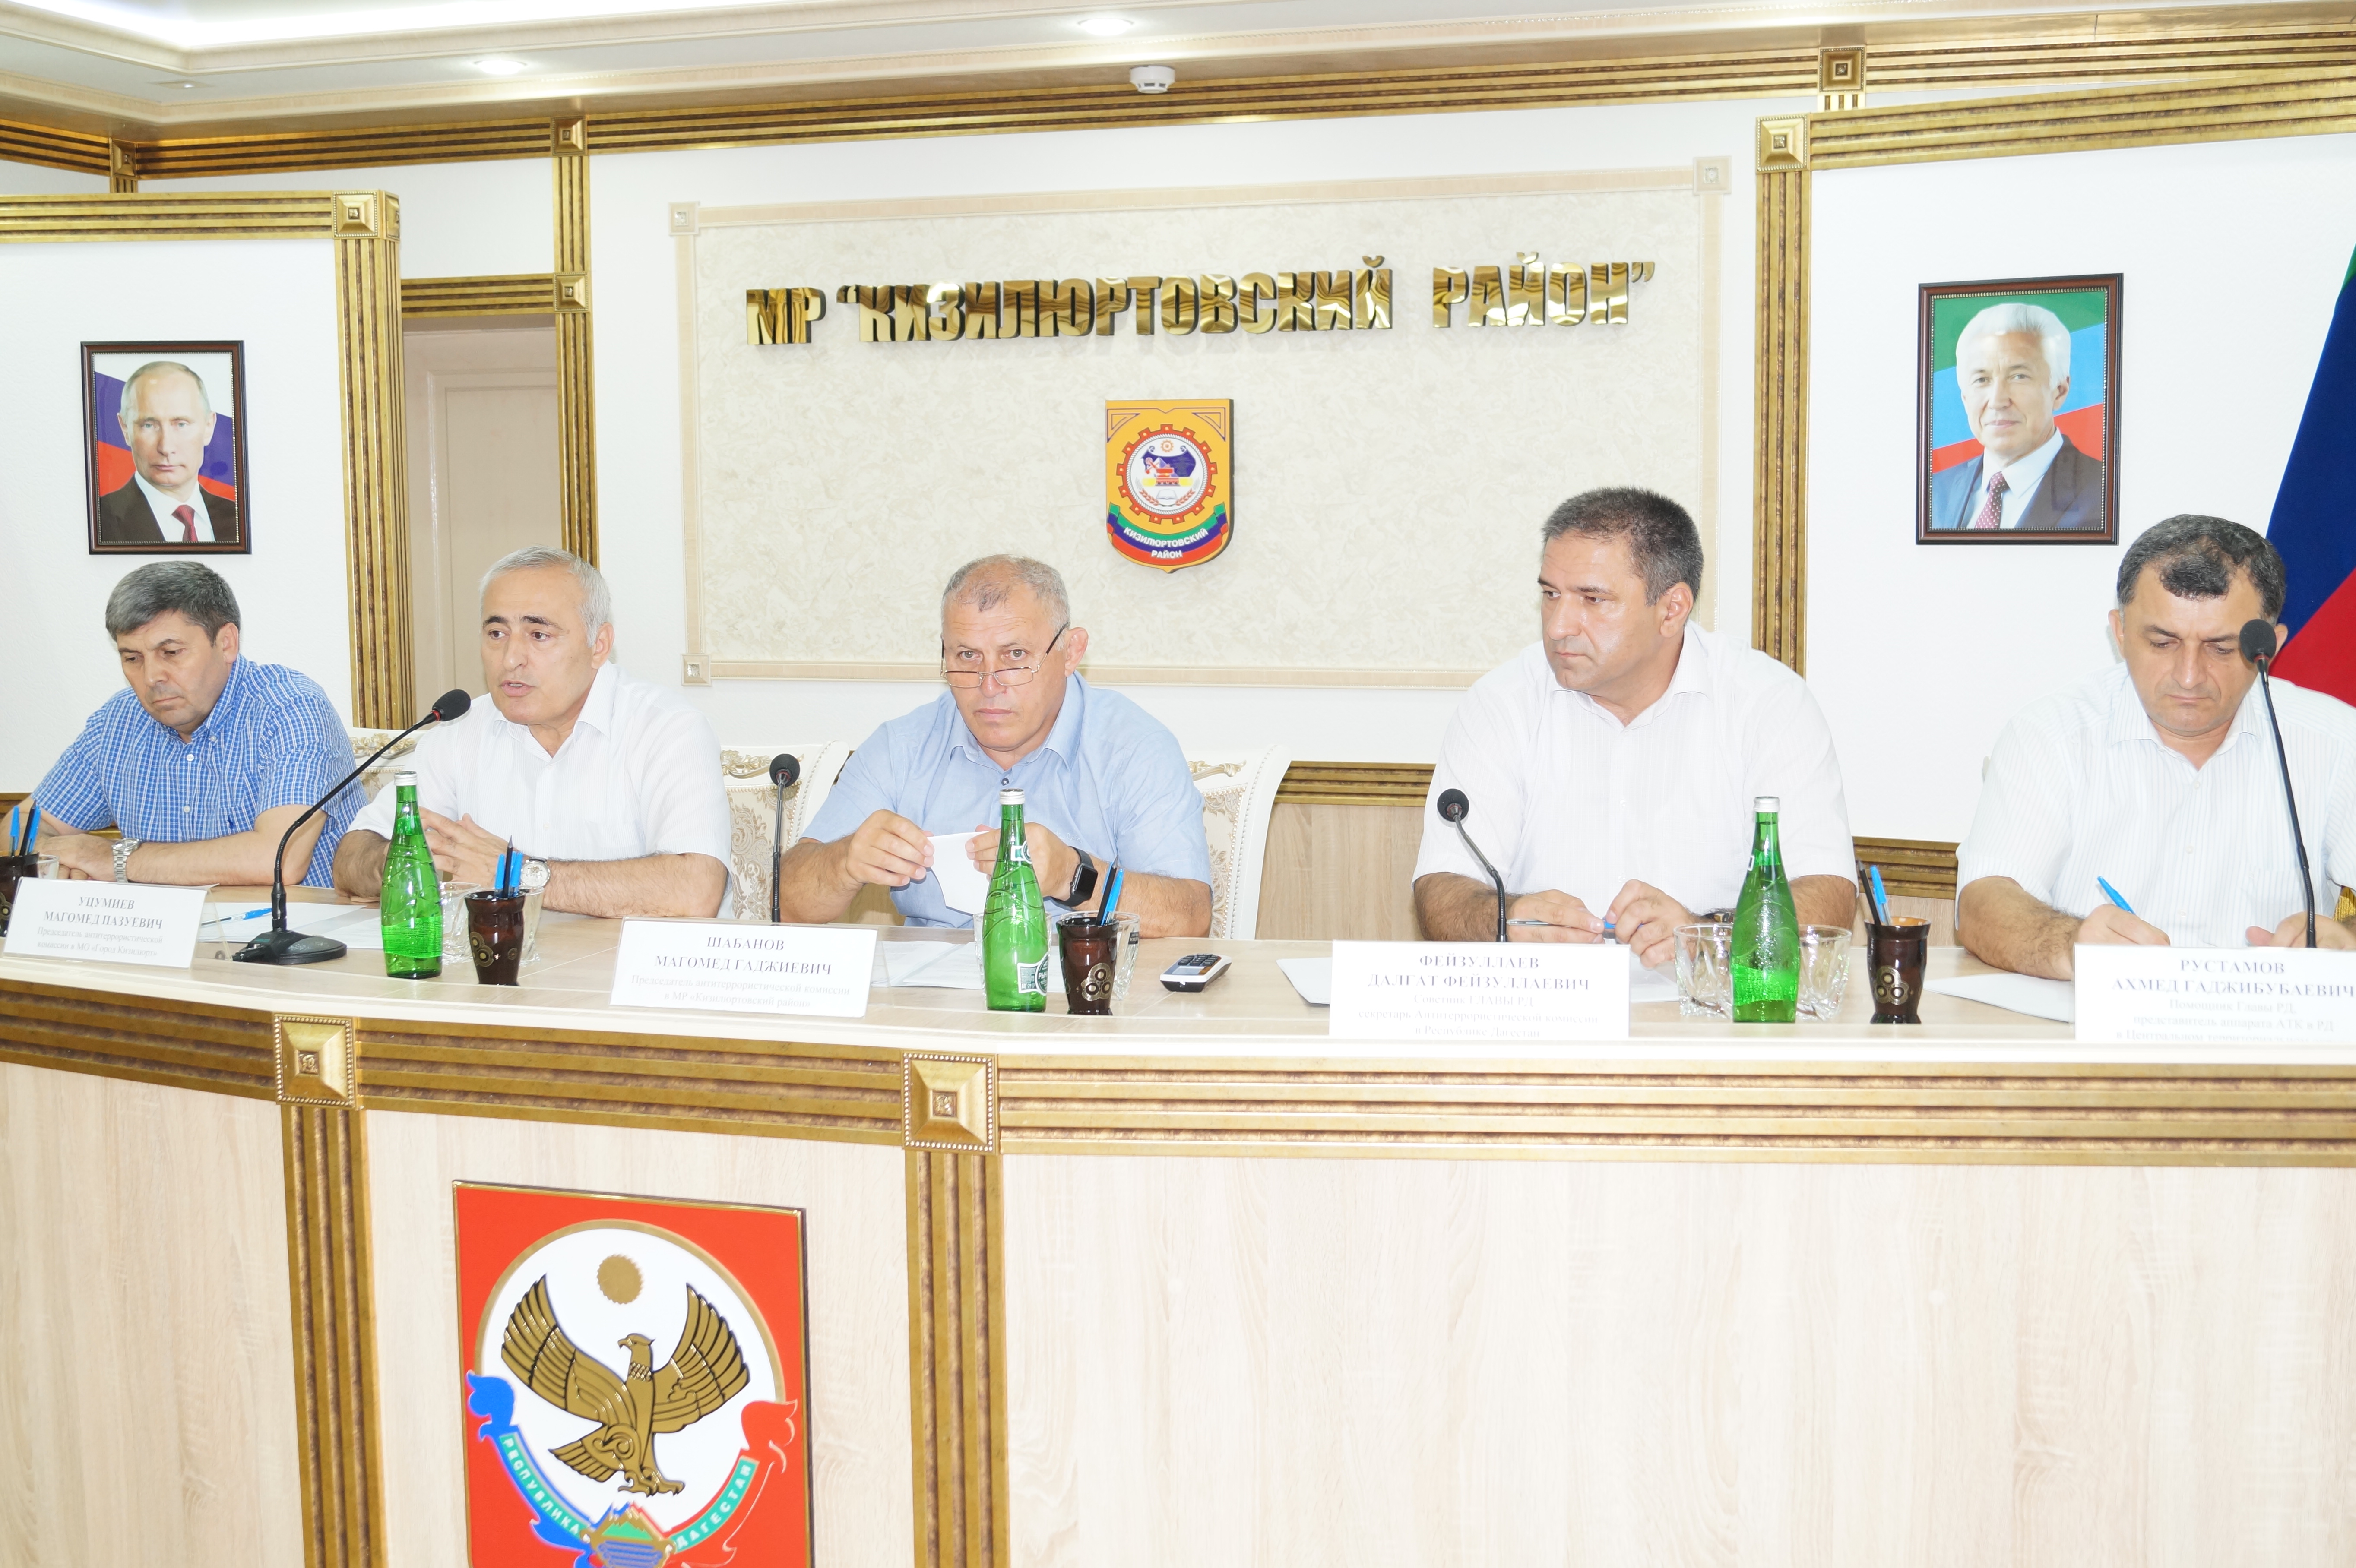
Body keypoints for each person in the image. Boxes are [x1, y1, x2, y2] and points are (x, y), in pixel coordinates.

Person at [1412, 487, 1857, 966]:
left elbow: (1827, 896)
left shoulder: (1767, 703)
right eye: (1550, 595)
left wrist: (1709, 936)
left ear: (1672, 610)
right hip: (1548, 1003)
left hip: (1711, 1003)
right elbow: (1442, 892)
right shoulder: (1501, 703)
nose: (1558, 626)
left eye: (1592, 599)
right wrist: (1506, 917)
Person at [1957, 515, 2356, 975]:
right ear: (2120, 632)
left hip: (2268, 1019)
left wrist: (2346, 940)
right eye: (2163, 643)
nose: (2188, 676)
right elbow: (1983, 903)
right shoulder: (2048, 735)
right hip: (2088, 1018)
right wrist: (2070, 944)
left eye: (2221, 648)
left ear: (2270, 645)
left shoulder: (2336, 741)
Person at [779, 554, 1212, 936]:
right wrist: (844, 861)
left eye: (1015, 655)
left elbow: (1190, 916)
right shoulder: (901, 747)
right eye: (967, 656)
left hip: (1076, 990)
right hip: (930, 994)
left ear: (1070, 651)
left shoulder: (1134, 748)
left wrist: (1072, 875)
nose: (988, 686)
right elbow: (788, 902)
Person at [332, 546, 730, 919]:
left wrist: (516, 874)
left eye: (539, 635)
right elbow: (352, 857)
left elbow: (696, 889)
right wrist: (401, 860)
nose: (511, 659)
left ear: (599, 645)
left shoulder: (667, 729)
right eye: (497, 634)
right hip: (495, 963)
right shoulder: (460, 731)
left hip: (624, 968)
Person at [33, 562, 355, 885]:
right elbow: (23, 828)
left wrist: (114, 859)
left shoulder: (291, 709)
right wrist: (55, 858)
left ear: (226, 643)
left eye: (171, 652)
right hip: (161, 919)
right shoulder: (118, 722)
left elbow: (279, 859)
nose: (151, 677)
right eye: (132, 659)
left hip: (289, 918)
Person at [1927, 301, 2104, 533]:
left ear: (2059, 391)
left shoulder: (2103, 492)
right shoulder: (1935, 492)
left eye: (2019, 376)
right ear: (1965, 398)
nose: (1998, 401)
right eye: (1982, 380)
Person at [96, 361, 242, 546]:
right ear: (125, 429)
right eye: (149, 425)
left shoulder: (239, 518)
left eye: (181, 424)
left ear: (208, 427)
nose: (165, 448)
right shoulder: (100, 520)